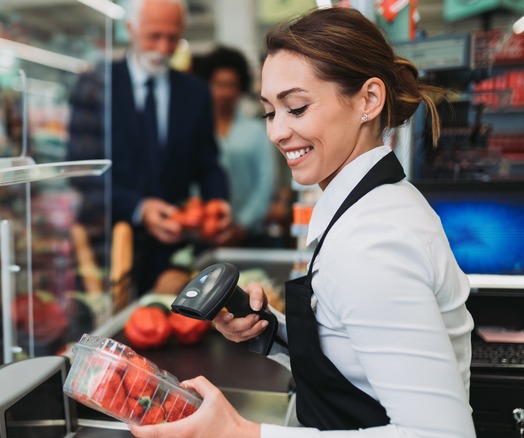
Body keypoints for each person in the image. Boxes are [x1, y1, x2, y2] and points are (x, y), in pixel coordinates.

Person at [130, 7, 475, 438]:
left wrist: (242, 433)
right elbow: (358, 359)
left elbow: (442, 435)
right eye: (270, 112)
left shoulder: (371, 243)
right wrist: (271, 331)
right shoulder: (369, 206)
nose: (276, 132)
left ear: (368, 99)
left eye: (296, 107)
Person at [109, 0, 232, 294]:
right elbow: (84, 173)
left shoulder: (196, 93)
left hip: (176, 251)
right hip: (112, 250)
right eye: (154, 36)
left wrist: (219, 201)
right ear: (130, 30)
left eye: (173, 38)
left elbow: (208, 162)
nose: (164, 48)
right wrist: (139, 208)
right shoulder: (98, 86)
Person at [195, 46, 278, 247]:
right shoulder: (196, 132)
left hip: (250, 237)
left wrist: (241, 225)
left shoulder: (256, 130)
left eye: (231, 84)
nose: (224, 91)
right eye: (218, 84)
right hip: (204, 235)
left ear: (240, 87)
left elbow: (266, 182)